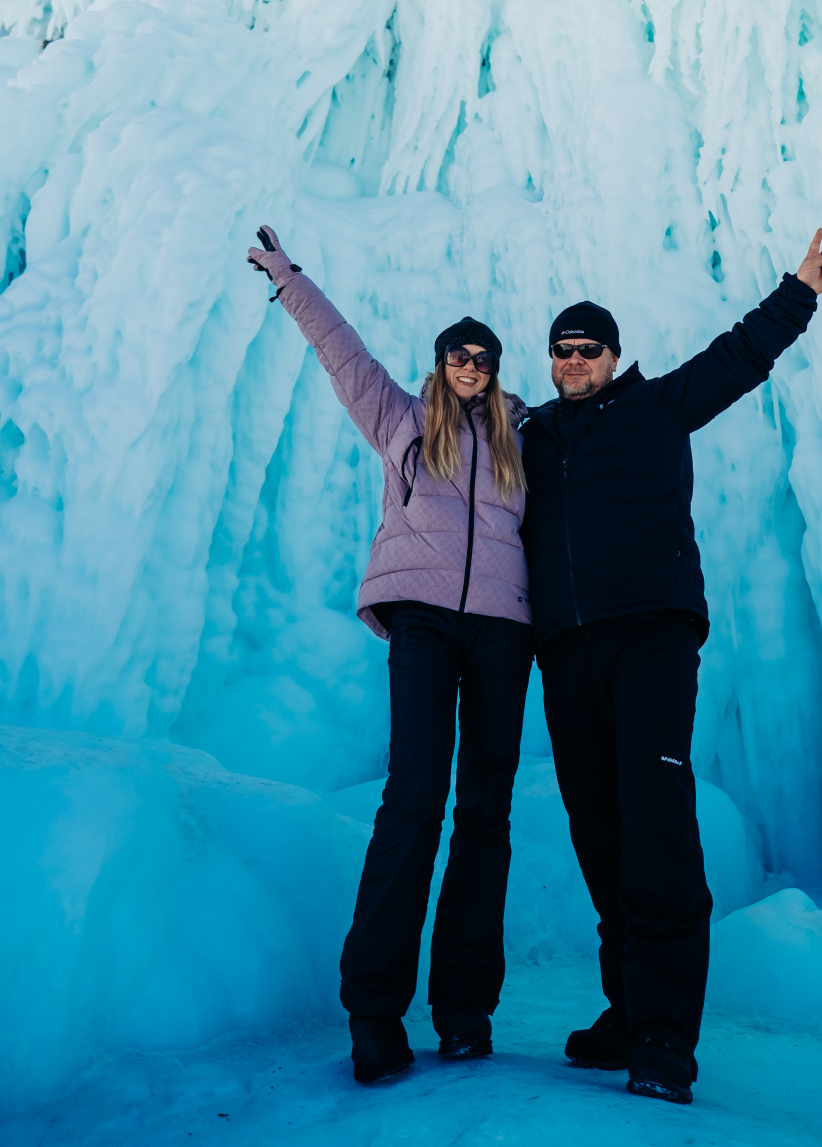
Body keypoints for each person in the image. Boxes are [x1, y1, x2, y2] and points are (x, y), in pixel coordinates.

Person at [519, 229, 822, 1107]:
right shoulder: (533, 436)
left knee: (654, 828)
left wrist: (799, 291)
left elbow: (736, 358)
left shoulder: (658, 405)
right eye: (561, 350)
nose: (574, 360)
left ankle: (663, 1039)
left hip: (652, 639)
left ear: (614, 356)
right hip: (568, 650)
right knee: (598, 833)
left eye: (588, 349)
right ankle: (627, 1010)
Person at [246, 226, 532, 1085]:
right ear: (441, 362)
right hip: (422, 624)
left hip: (502, 632)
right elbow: (343, 353)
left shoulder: (526, 435)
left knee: (486, 812)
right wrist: (289, 278)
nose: (470, 365)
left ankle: (464, 1009)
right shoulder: (402, 421)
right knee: (413, 798)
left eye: (482, 355)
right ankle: (374, 1010)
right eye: (457, 354)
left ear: (495, 365)